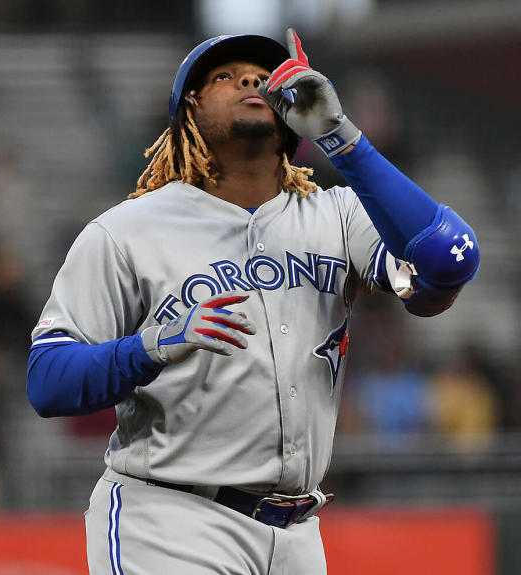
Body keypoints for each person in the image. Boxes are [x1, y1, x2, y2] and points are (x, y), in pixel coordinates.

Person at [26, 30, 480, 574]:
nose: (249, 80)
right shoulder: (125, 231)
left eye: (263, 76)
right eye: (223, 76)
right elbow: (47, 381)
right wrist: (150, 346)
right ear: (187, 109)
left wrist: (341, 136)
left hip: (297, 534)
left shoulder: (336, 214)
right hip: (171, 519)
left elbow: (448, 263)